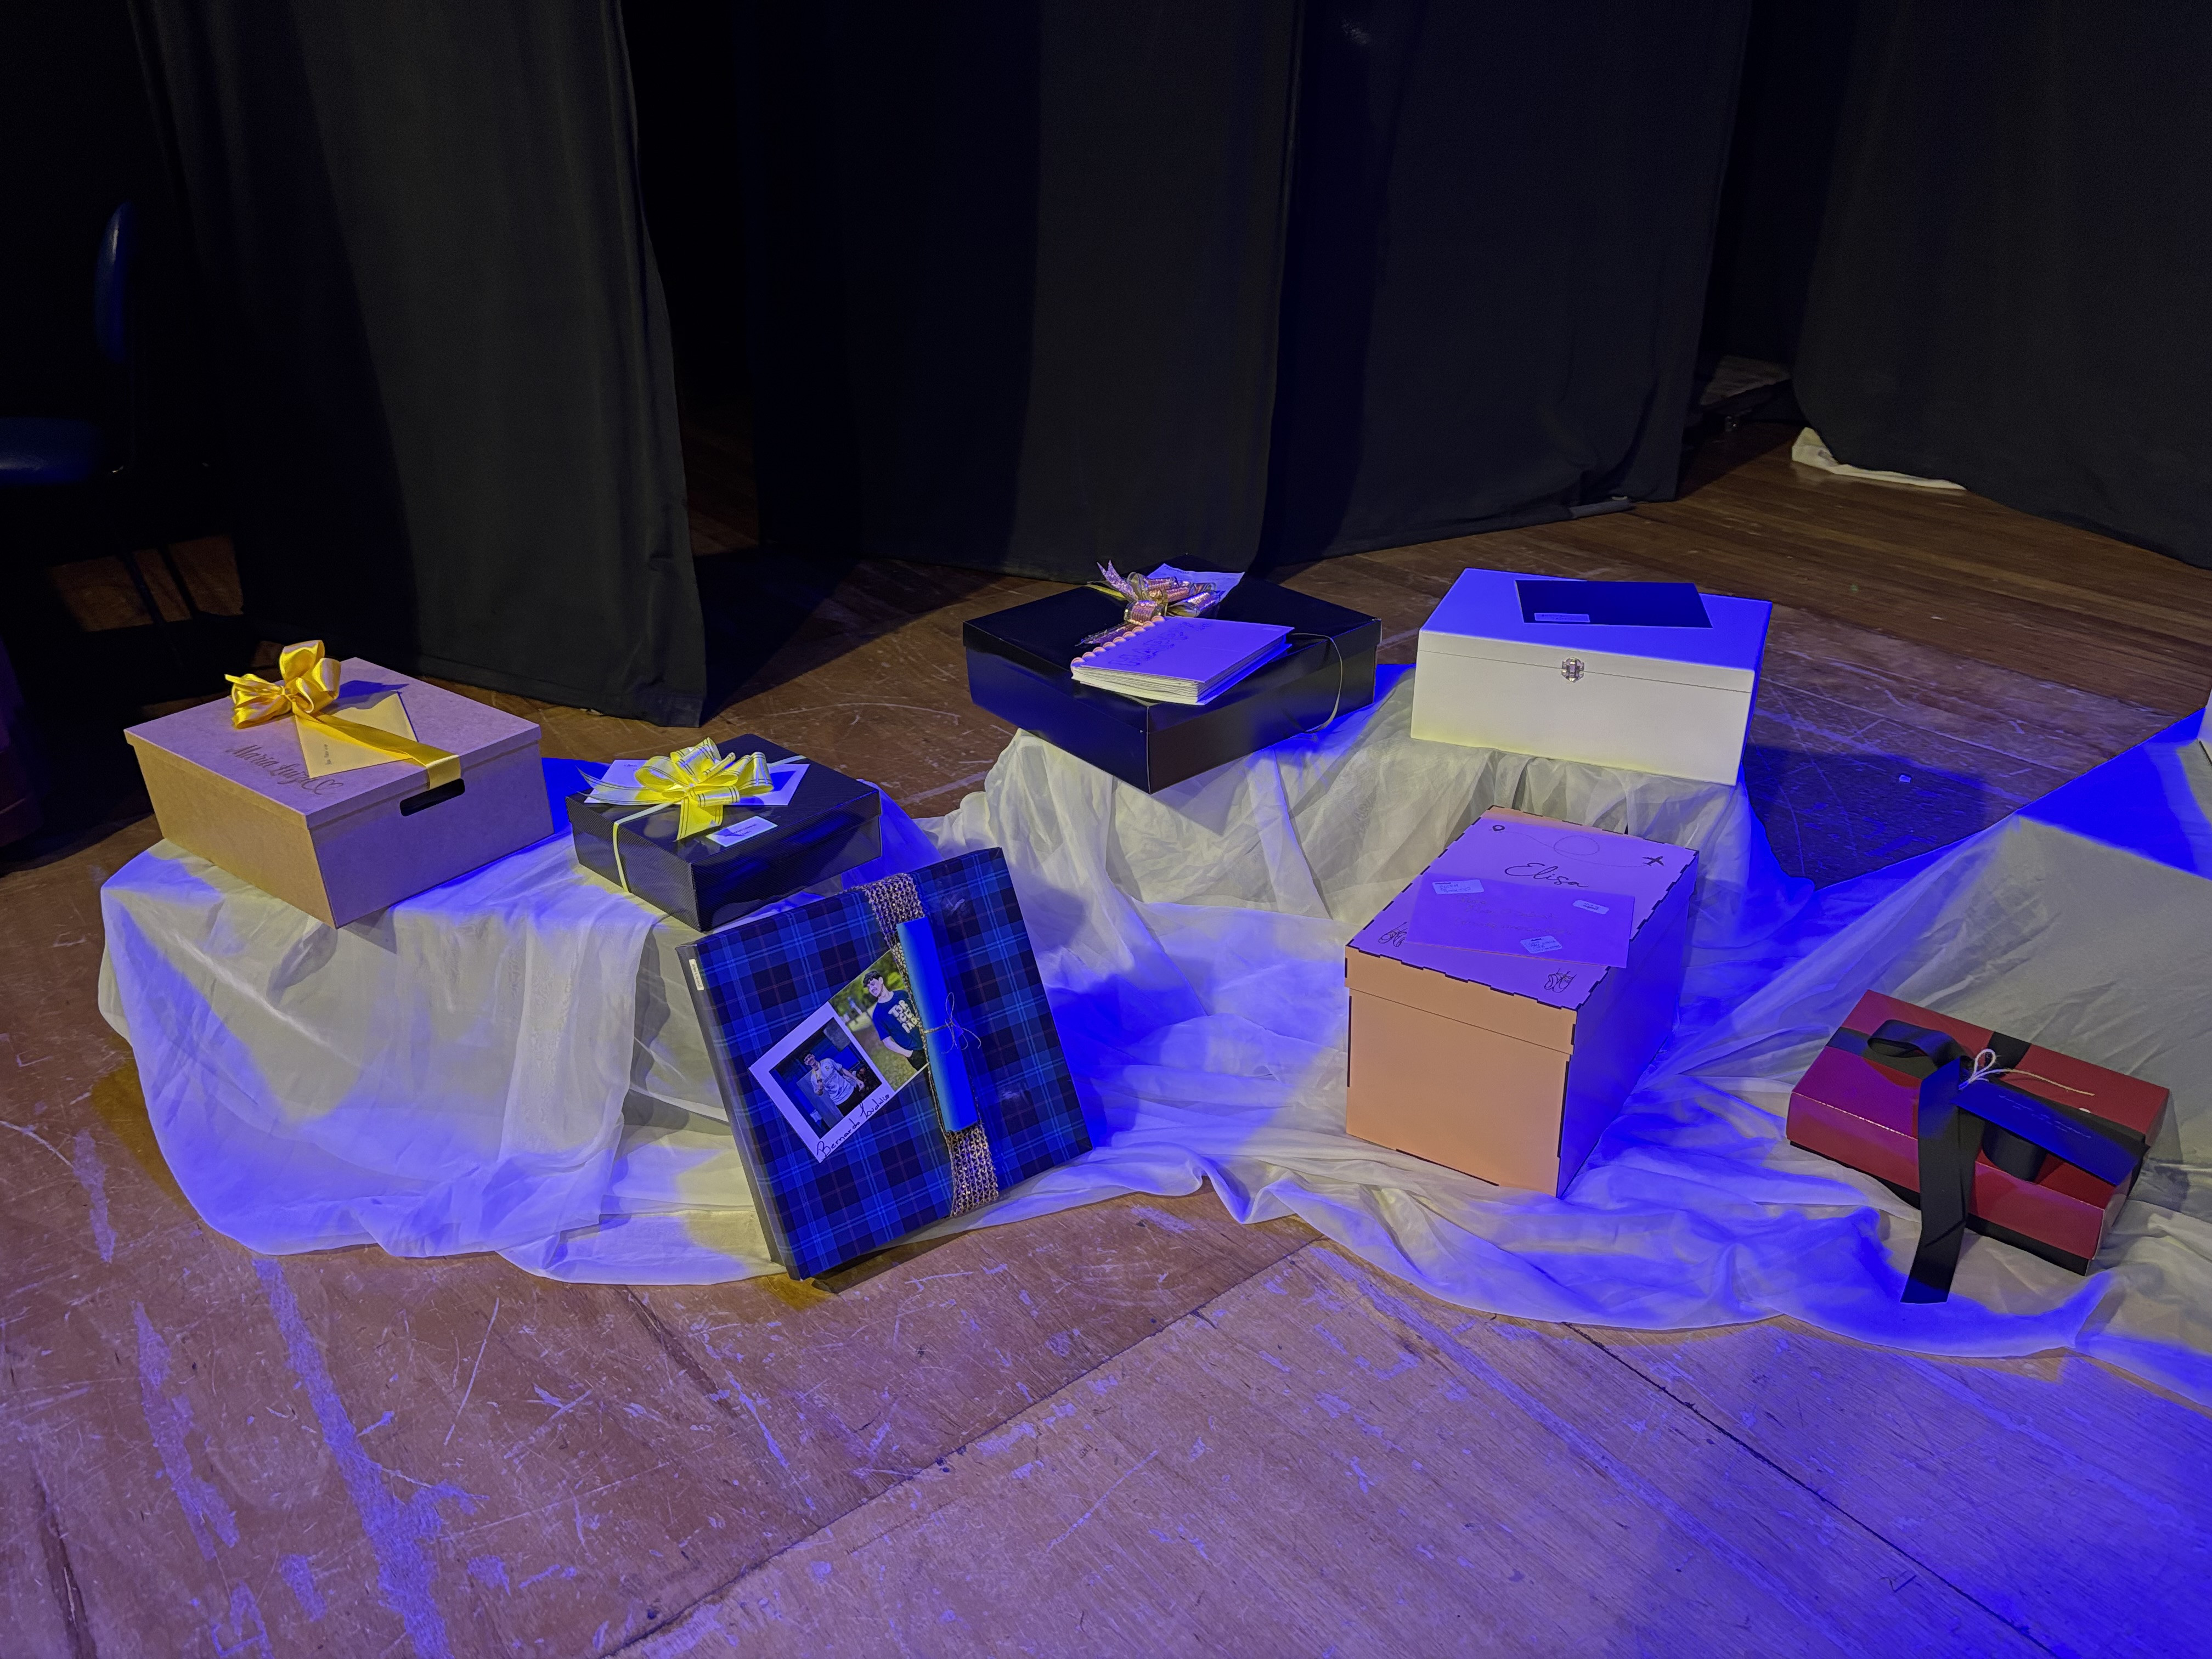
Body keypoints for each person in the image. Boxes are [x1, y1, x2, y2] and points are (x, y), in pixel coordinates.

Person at [864, 971, 924, 1062]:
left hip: (927, 1039)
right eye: (869, 987)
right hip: (915, 1054)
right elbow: (887, 1042)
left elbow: (919, 1013)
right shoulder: (877, 1015)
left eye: (873, 984)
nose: (872, 989)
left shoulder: (902, 994)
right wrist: (910, 1054)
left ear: (881, 980)